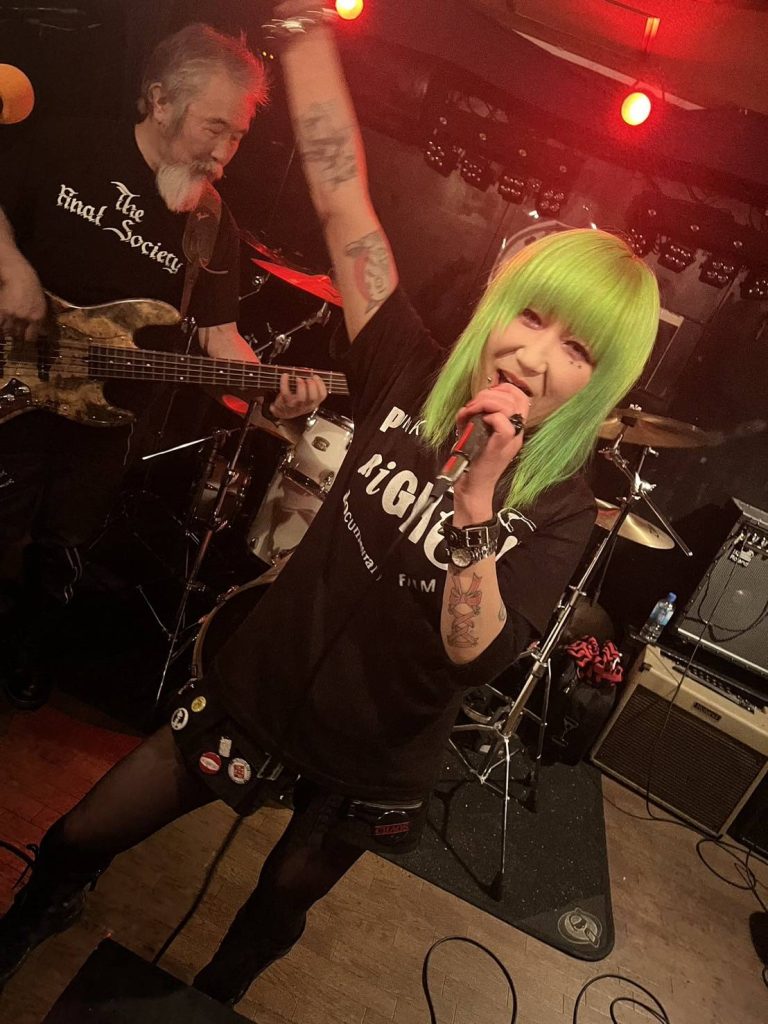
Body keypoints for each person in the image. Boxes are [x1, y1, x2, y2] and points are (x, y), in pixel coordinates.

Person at [0, 0, 661, 1005]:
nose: (536, 356)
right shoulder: (406, 367)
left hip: (372, 760)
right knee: (85, 828)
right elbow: (345, 197)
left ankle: (215, 999)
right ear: (500, 308)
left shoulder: (563, 505)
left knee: (278, 905)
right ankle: (33, 914)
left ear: (599, 380)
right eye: (532, 317)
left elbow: (474, 657)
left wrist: (479, 493)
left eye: (576, 349)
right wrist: (308, 34)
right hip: (259, 684)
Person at [0, 22, 324, 709]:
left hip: (104, 421)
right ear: (159, 100)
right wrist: (12, 269)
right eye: (214, 128)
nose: (224, 153)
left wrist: (274, 394)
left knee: (61, 551)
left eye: (237, 136)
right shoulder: (69, 144)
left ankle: (21, 662)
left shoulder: (210, 224)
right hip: (12, 378)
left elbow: (221, 339)